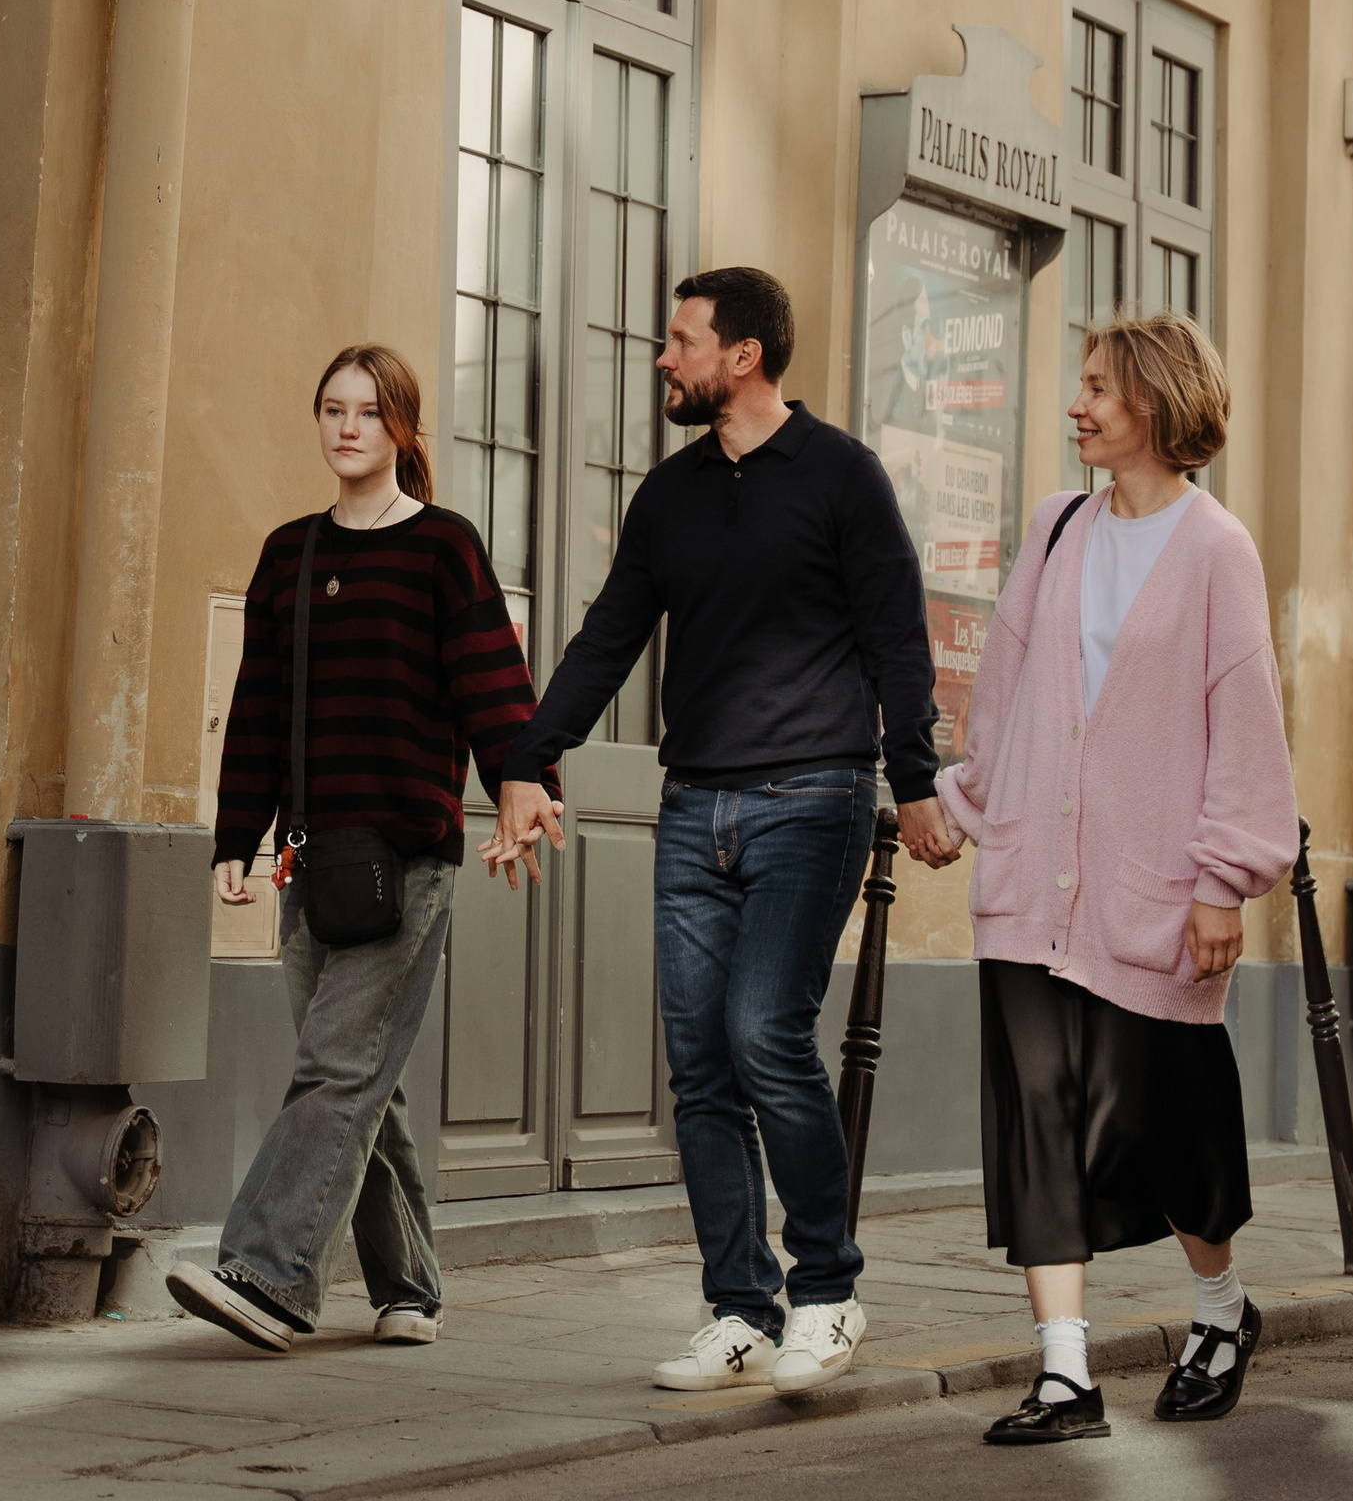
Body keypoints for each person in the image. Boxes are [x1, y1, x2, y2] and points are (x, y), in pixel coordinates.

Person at [486, 268, 946, 1397]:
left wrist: (918, 777)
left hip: (813, 799)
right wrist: (525, 756)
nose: (662, 358)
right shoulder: (671, 493)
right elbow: (607, 635)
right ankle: (740, 1308)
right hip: (691, 805)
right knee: (698, 1069)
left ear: (740, 357)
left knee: (763, 1037)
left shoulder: (842, 476)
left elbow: (896, 637)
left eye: (680, 340)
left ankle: (828, 1292)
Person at [917, 310, 1299, 1444]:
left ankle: (1220, 1313)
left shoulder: (1216, 546)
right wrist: (963, 803)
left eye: (1096, 388)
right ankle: (1064, 1375)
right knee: (1037, 1122)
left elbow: (1244, 722)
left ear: (1156, 403)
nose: (1075, 405)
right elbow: (1006, 699)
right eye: (1079, 385)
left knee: (1172, 1130)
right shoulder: (1052, 529)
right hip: (1034, 883)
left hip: (1153, 894)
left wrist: (1223, 879)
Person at [168, 344, 547, 1355]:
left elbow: (492, 690)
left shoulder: (442, 548)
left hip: (408, 858)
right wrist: (233, 839)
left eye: (368, 412)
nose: (346, 427)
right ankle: (410, 1282)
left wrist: (521, 786)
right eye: (331, 409)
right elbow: (255, 709)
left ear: (402, 430)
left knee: (336, 1069)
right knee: (355, 1074)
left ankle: (269, 1274)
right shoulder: (286, 553)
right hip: (309, 861)